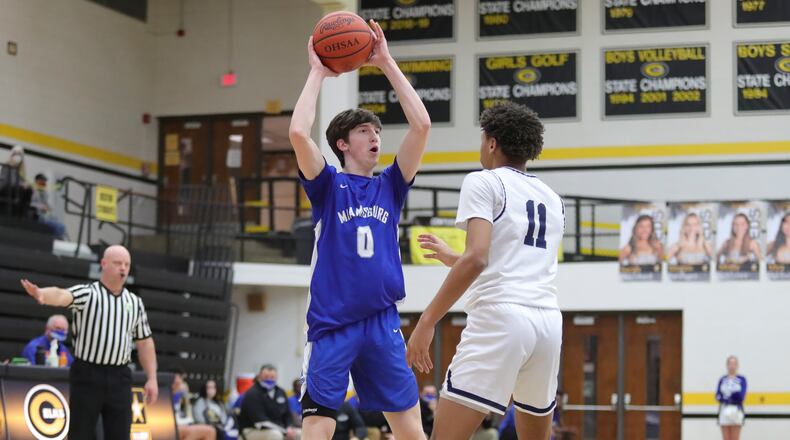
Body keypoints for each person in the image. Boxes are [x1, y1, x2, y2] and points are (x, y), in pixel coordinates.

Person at [288, 17, 430, 440]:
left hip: (383, 322)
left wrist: (386, 61)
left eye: (377, 131)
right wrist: (316, 72)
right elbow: (297, 131)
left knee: (411, 432)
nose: (375, 137)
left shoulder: (391, 185)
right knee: (317, 430)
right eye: (364, 131)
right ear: (343, 144)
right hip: (333, 324)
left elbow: (421, 125)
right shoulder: (329, 186)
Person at [407, 102, 564, 440]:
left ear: (492, 143)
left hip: (500, 319)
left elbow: (477, 258)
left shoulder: (484, 181)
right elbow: (509, 260)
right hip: (548, 323)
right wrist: (455, 258)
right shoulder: (552, 198)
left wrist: (427, 320)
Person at [19, 244, 159, 439]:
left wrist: (152, 378)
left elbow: (145, 342)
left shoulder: (134, 302)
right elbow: (62, 295)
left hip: (120, 377)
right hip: (88, 374)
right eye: (118, 263)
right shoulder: (89, 294)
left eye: (127, 264)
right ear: (103, 264)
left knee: (120, 435)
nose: (123, 268)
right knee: (80, 433)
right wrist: (42, 294)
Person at [238, 364, 299, 440]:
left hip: (279, 428)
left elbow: (287, 415)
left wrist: (289, 427)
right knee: (275, 435)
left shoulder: (281, 392)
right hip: (252, 429)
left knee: (299, 434)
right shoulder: (252, 394)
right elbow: (261, 420)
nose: (269, 379)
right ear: (259, 377)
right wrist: (284, 430)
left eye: (272, 377)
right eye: (266, 377)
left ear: (277, 377)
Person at [173, 370, 217, 440]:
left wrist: (186, 393)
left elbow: (186, 409)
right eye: (180, 378)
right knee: (210, 431)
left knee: (210, 431)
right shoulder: (165, 393)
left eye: (214, 387)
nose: (182, 382)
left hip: (181, 422)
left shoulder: (217, 403)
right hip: (170, 425)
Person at [716, 356, 747, 440]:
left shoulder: (741, 379)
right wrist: (726, 398)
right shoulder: (722, 379)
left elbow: (741, 396)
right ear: (727, 365)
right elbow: (718, 395)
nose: (732, 366)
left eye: (734, 364)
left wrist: (730, 397)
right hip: (724, 409)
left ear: (737, 365)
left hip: (736, 410)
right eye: (730, 363)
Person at [30, 173, 66, 239]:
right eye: (42, 180)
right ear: (37, 181)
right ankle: (55, 241)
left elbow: (45, 203)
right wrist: (41, 206)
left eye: (45, 181)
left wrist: (48, 207)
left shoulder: (43, 192)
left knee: (56, 220)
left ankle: (56, 239)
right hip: (36, 217)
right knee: (60, 227)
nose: (44, 182)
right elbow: (29, 203)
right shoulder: (32, 190)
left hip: (42, 216)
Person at [0, 145, 32, 217]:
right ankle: (15, 214)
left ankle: (23, 215)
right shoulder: (6, 166)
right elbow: (9, 181)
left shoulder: (21, 170)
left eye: (19, 155)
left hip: (15, 189)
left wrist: (27, 184)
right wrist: (21, 184)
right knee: (21, 189)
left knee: (29, 190)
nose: (17, 156)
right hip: (4, 188)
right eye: (16, 154)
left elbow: (22, 180)